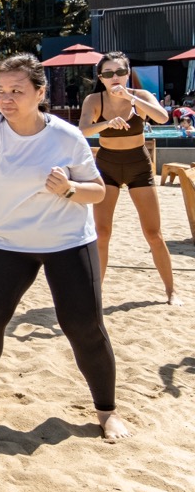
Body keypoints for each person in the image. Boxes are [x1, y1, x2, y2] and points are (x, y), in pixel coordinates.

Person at [0, 54, 130, 440]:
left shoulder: (65, 136)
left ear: (40, 92)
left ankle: (106, 411)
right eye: (0, 90)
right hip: (9, 244)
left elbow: (97, 192)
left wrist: (69, 189)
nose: (6, 98)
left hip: (68, 243)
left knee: (83, 327)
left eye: (16, 90)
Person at [78, 51, 178, 304]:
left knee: (153, 233)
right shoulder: (94, 99)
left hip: (138, 165)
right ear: (101, 78)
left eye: (121, 72)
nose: (115, 78)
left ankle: (171, 291)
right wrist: (107, 124)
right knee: (102, 233)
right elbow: (83, 130)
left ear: (127, 73)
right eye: (109, 73)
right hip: (107, 166)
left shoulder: (140, 96)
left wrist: (130, 97)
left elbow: (162, 117)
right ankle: (94, 293)